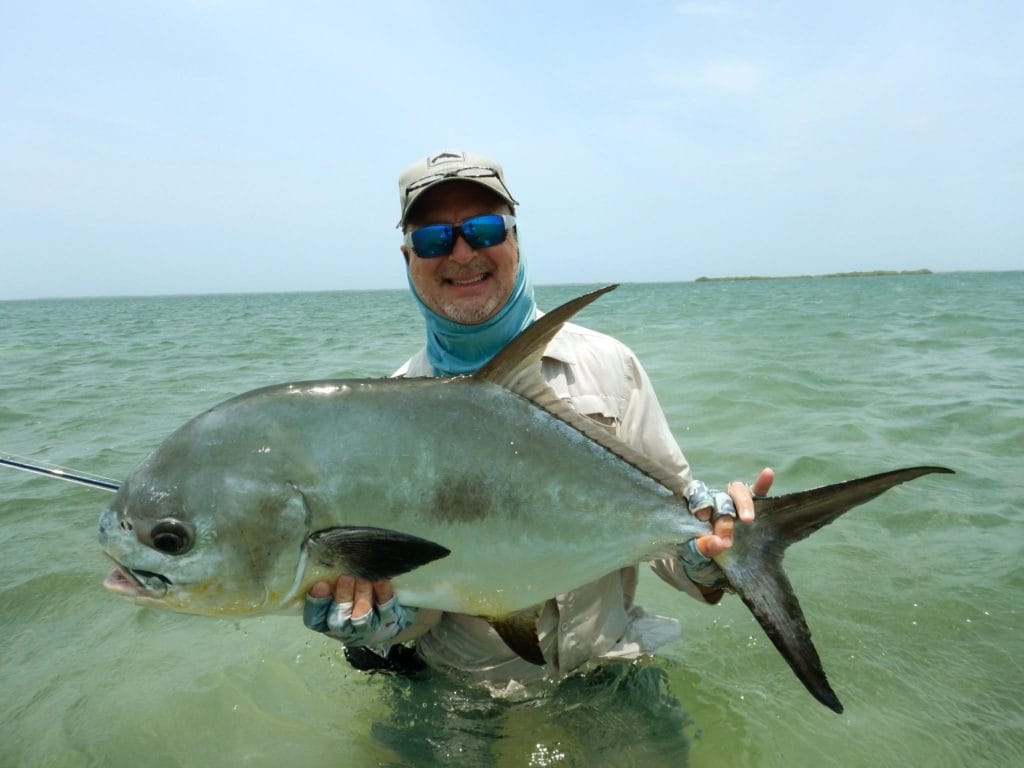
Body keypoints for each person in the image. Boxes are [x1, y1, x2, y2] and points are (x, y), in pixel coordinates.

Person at [303, 149, 774, 685]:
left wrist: (711, 552)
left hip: (610, 676)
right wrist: (384, 621)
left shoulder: (609, 367)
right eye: (434, 239)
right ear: (408, 259)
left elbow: (668, 531)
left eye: (483, 230)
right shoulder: (390, 409)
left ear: (515, 240)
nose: (461, 253)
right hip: (464, 695)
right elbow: (425, 589)